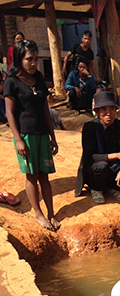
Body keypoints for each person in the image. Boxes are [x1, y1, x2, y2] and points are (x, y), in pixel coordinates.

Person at [4, 40, 60, 231]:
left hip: (42, 133)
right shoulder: (11, 83)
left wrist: (52, 136)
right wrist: (18, 139)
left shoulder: (39, 79)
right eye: (29, 59)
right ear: (19, 60)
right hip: (25, 135)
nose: (33, 63)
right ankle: (38, 214)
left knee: (45, 175)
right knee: (32, 176)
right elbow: (10, 113)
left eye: (36, 59)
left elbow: (46, 110)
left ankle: (51, 214)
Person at [75, 90, 120, 204]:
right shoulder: (89, 128)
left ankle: (116, 188)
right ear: (97, 111)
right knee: (101, 166)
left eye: (112, 109)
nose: (108, 113)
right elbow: (89, 157)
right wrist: (117, 155)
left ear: (116, 110)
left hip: (114, 169)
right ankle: (96, 189)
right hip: (95, 170)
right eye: (104, 109)